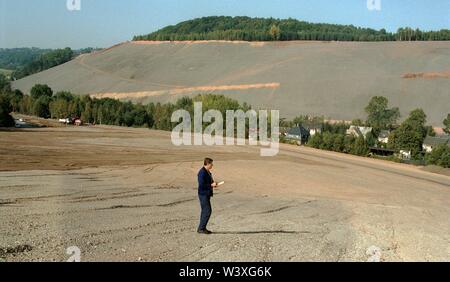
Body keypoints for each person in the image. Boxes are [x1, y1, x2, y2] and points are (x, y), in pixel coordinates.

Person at [197, 158, 218, 234]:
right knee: (207, 211)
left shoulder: (207, 171)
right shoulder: (202, 172)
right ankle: (201, 228)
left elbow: (209, 182)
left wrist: (213, 184)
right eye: (211, 164)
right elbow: (202, 185)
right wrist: (211, 185)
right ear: (208, 164)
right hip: (203, 194)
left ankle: (201, 228)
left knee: (205, 211)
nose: (212, 165)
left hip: (206, 194)